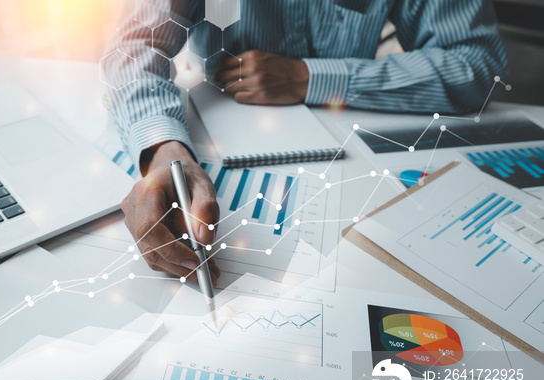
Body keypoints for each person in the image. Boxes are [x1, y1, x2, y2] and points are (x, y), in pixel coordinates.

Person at [104, 0, 507, 283]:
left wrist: (311, 77)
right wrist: (164, 151)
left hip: (351, 155)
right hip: (224, 139)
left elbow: (478, 66)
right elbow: (134, 48)